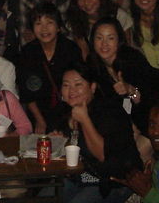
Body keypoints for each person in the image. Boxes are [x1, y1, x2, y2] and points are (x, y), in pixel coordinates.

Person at [54, 61, 141, 203]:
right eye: (66, 85)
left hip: (113, 181)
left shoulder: (109, 111)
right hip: (79, 178)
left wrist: (85, 120)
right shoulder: (64, 113)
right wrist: (58, 143)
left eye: (78, 84)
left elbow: (102, 154)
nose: (71, 90)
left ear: (92, 87)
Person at [87, 17, 159, 138]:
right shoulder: (93, 63)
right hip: (126, 121)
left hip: (155, 114)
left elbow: (145, 99)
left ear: (119, 40)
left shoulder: (132, 60)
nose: (104, 44)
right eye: (99, 38)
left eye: (110, 38)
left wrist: (130, 90)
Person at [18, 3, 82, 133]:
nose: (44, 29)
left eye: (49, 23)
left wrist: (74, 115)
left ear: (58, 27)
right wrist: (39, 120)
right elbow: (26, 92)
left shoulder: (71, 49)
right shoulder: (28, 52)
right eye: (38, 23)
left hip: (68, 112)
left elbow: (80, 84)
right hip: (38, 114)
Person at [65, 0, 133, 59]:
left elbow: (127, 49)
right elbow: (84, 53)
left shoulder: (118, 15)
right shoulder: (76, 19)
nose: (86, 2)